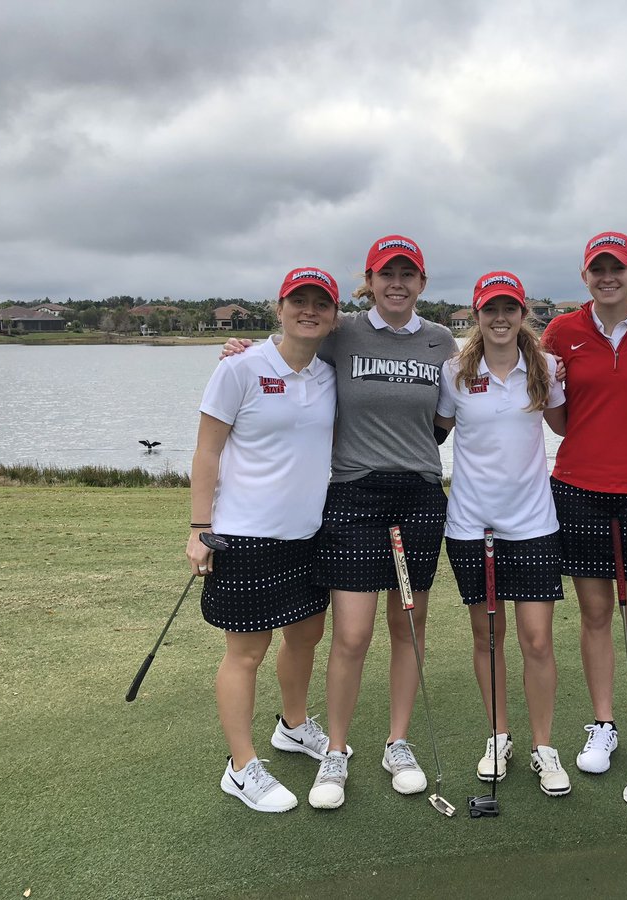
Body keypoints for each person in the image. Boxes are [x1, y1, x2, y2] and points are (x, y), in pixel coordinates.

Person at [221, 235, 457, 810]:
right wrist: (238, 351)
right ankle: (335, 750)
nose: (396, 283)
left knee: (408, 625)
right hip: (353, 497)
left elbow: (444, 418)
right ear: (368, 282)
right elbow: (287, 354)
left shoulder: (440, 340)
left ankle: (398, 743)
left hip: (419, 498)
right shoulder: (340, 332)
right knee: (352, 633)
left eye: (407, 274)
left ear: (422, 283)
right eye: (385, 274)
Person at [189, 266, 340, 812]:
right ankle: (241, 766)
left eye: (320, 304)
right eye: (298, 301)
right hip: (244, 534)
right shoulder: (240, 367)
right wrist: (199, 527)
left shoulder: (330, 374)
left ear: (334, 316)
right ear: (279, 309)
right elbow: (207, 451)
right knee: (247, 651)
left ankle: (293, 726)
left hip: (308, 533)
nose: (309, 311)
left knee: (306, 636)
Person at [541, 232, 627, 782]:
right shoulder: (562, 331)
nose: (607, 277)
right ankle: (603, 723)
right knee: (596, 613)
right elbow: (558, 417)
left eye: (617, 268)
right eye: (597, 269)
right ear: (585, 276)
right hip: (578, 487)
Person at [434, 271, 571, 797]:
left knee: (537, 639)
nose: (499, 318)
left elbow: (565, 426)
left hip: (533, 524)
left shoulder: (546, 368)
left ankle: (543, 746)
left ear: (522, 314)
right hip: (472, 526)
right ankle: (498, 736)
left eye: (509, 309)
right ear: (476, 314)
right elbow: (435, 431)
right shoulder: (455, 372)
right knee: (488, 636)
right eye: (490, 309)